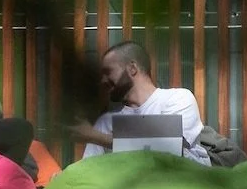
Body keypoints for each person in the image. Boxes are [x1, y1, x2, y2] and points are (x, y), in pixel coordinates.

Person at [70, 40, 205, 164]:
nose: (103, 81)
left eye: (108, 72)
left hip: (183, 186)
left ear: (132, 69)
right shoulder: (106, 122)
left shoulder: (178, 99)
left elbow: (169, 149)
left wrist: (96, 136)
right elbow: (89, 168)